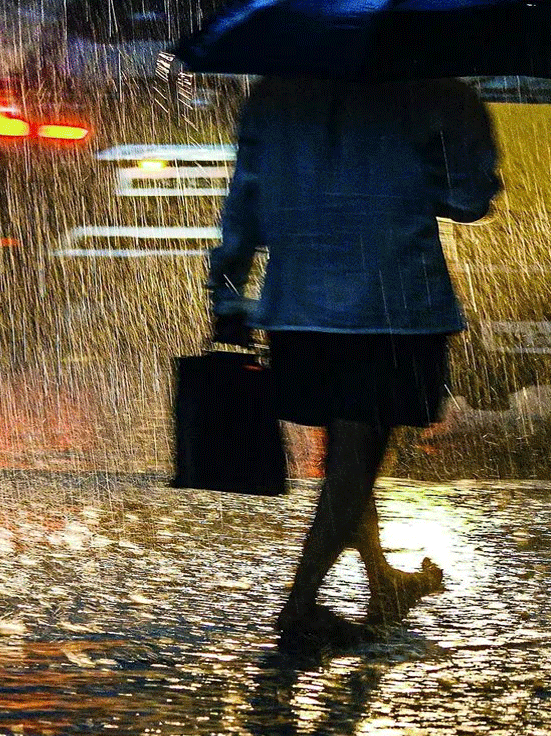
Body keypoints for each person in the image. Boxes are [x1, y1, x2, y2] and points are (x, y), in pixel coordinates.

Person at [208, 75, 501, 650]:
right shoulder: (437, 93)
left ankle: (381, 580)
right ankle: (300, 603)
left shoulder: (275, 94)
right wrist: (416, 177)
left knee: (348, 452)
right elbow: (470, 199)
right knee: (356, 457)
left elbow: (245, 198)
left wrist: (227, 291)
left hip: (298, 309)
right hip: (391, 308)